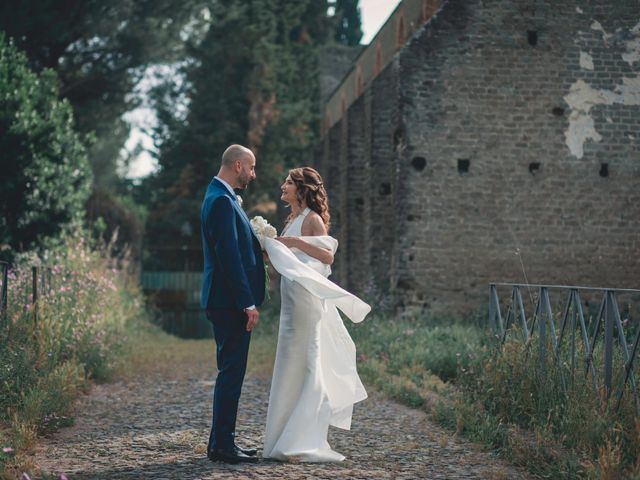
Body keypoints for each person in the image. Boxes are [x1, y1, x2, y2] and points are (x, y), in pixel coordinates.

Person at [262, 167, 369, 462]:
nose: (283, 186)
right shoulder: (291, 220)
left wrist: (293, 243)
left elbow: (326, 256)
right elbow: (287, 261)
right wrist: (267, 249)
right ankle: (283, 436)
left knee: (309, 363)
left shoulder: (312, 219)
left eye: (288, 182)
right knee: (290, 364)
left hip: (307, 303)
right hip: (291, 302)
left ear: (302, 188)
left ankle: (303, 438)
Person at [200, 144, 265, 464]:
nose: (253, 174)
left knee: (230, 372)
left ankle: (220, 442)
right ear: (238, 165)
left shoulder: (219, 196)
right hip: (229, 303)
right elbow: (230, 259)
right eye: (251, 168)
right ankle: (223, 446)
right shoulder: (223, 201)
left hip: (224, 301)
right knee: (231, 374)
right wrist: (247, 303)